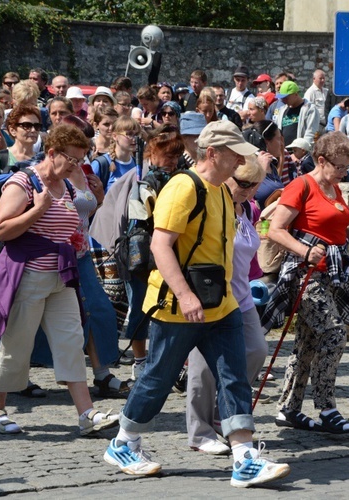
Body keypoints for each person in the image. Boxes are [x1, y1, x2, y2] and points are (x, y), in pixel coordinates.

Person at [103, 121, 291, 488]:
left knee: (235, 377)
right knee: (157, 377)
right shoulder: (183, 187)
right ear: (212, 153)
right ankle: (124, 442)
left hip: (220, 306)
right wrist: (186, 295)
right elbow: (160, 246)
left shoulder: (222, 190)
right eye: (235, 153)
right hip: (178, 306)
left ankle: (245, 458)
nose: (241, 159)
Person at [0, 123, 120, 436]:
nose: (76, 167)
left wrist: (74, 238)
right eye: (72, 160)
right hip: (28, 273)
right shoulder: (23, 183)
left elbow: (67, 222)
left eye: (80, 161)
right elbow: (1, 230)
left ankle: (86, 413)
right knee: (18, 341)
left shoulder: (65, 186)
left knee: (71, 339)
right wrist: (36, 211)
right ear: (51, 153)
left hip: (61, 275)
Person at [261, 131, 349, 434]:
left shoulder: (335, 189)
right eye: (340, 167)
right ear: (321, 160)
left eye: (347, 168)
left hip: (333, 273)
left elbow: (339, 236)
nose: (345, 173)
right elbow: (275, 229)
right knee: (333, 334)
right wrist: (305, 250)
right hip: (305, 274)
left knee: (308, 341)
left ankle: (288, 409)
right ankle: (326, 408)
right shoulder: (300, 186)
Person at [186, 153, 270, 455]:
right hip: (210, 295)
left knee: (257, 350)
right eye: (243, 183)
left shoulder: (247, 208)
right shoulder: (211, 203)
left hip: (242, 296)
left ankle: (227, 413)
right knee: (203, 367)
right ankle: (200, 431)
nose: (248, 190)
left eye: (254, 185)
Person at [0, 105, 41, 176]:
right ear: (12, 130)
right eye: (26, 125)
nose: (33, 130)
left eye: (37, 126)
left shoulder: (42, 160)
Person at [272, 81, 319, 148]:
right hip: (285, 153)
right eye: (282, 98)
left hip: (300, 154)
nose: (283, 100)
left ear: (296, 94)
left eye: (286, 97)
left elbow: (311, 134)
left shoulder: (310, 109)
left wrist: (300, 151)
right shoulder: (282, 110)